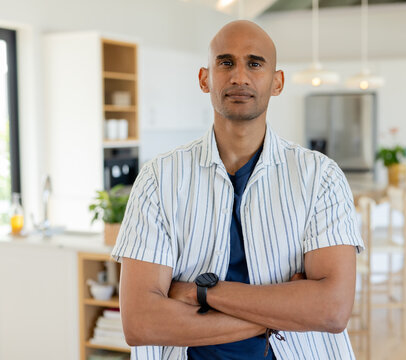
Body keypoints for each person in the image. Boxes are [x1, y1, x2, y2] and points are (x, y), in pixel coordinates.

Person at [112, 20, 364, 360]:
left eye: (255, 63)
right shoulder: (159, 179)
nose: (239, 77)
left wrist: (202, 294)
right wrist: (284, 311)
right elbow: (140, 323)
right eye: (226, 62)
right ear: (205, 79)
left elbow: (331, 311)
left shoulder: (320, 177)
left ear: (277, 82)